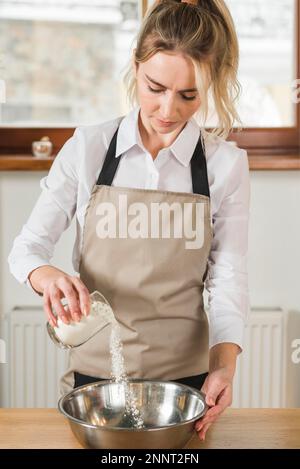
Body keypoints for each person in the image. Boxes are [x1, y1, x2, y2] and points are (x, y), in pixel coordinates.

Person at [8, 0, 250, 442]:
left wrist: (225, 366)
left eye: (188, 95)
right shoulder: (88, 148)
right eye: (154, 86)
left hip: (186, 389)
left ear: (212, 82)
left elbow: (228, 277)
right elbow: (26, 250)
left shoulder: (225, 166)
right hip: (97, 383)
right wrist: (47, 277)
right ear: (135, 65)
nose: (167, 110)